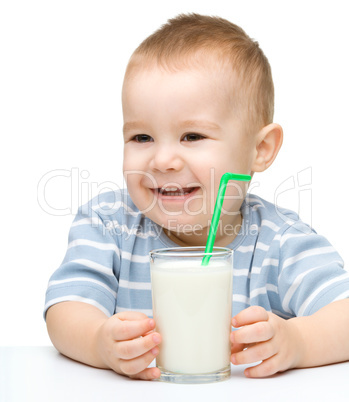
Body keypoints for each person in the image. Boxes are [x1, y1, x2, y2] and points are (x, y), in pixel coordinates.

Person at [44, 13, 349, 380]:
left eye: (192, 136)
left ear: (261, 149)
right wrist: (97, 342)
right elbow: (66, 307)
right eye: (141, 137)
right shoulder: (109, 224)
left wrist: (298, 341)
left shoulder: (280, 240)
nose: (162, 160)